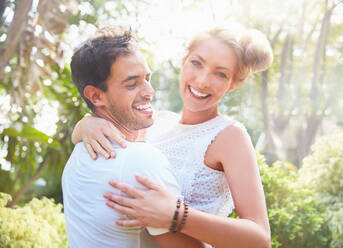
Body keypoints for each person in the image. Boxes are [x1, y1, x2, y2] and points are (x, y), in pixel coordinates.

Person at [72, 26, 273, 248]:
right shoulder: (152, 122)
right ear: (184, 60)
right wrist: (85, 125)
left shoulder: (230, 136)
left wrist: (177, 216)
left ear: (232, 83)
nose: (203, 80)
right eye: (197, 63)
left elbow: (259, 238)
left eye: (221, 73)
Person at [62, 28, 206, 248]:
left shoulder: (77, 158)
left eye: (147, 78)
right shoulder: (141, 161)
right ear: (95, 96)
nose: (150, 91)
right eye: (132, 84)